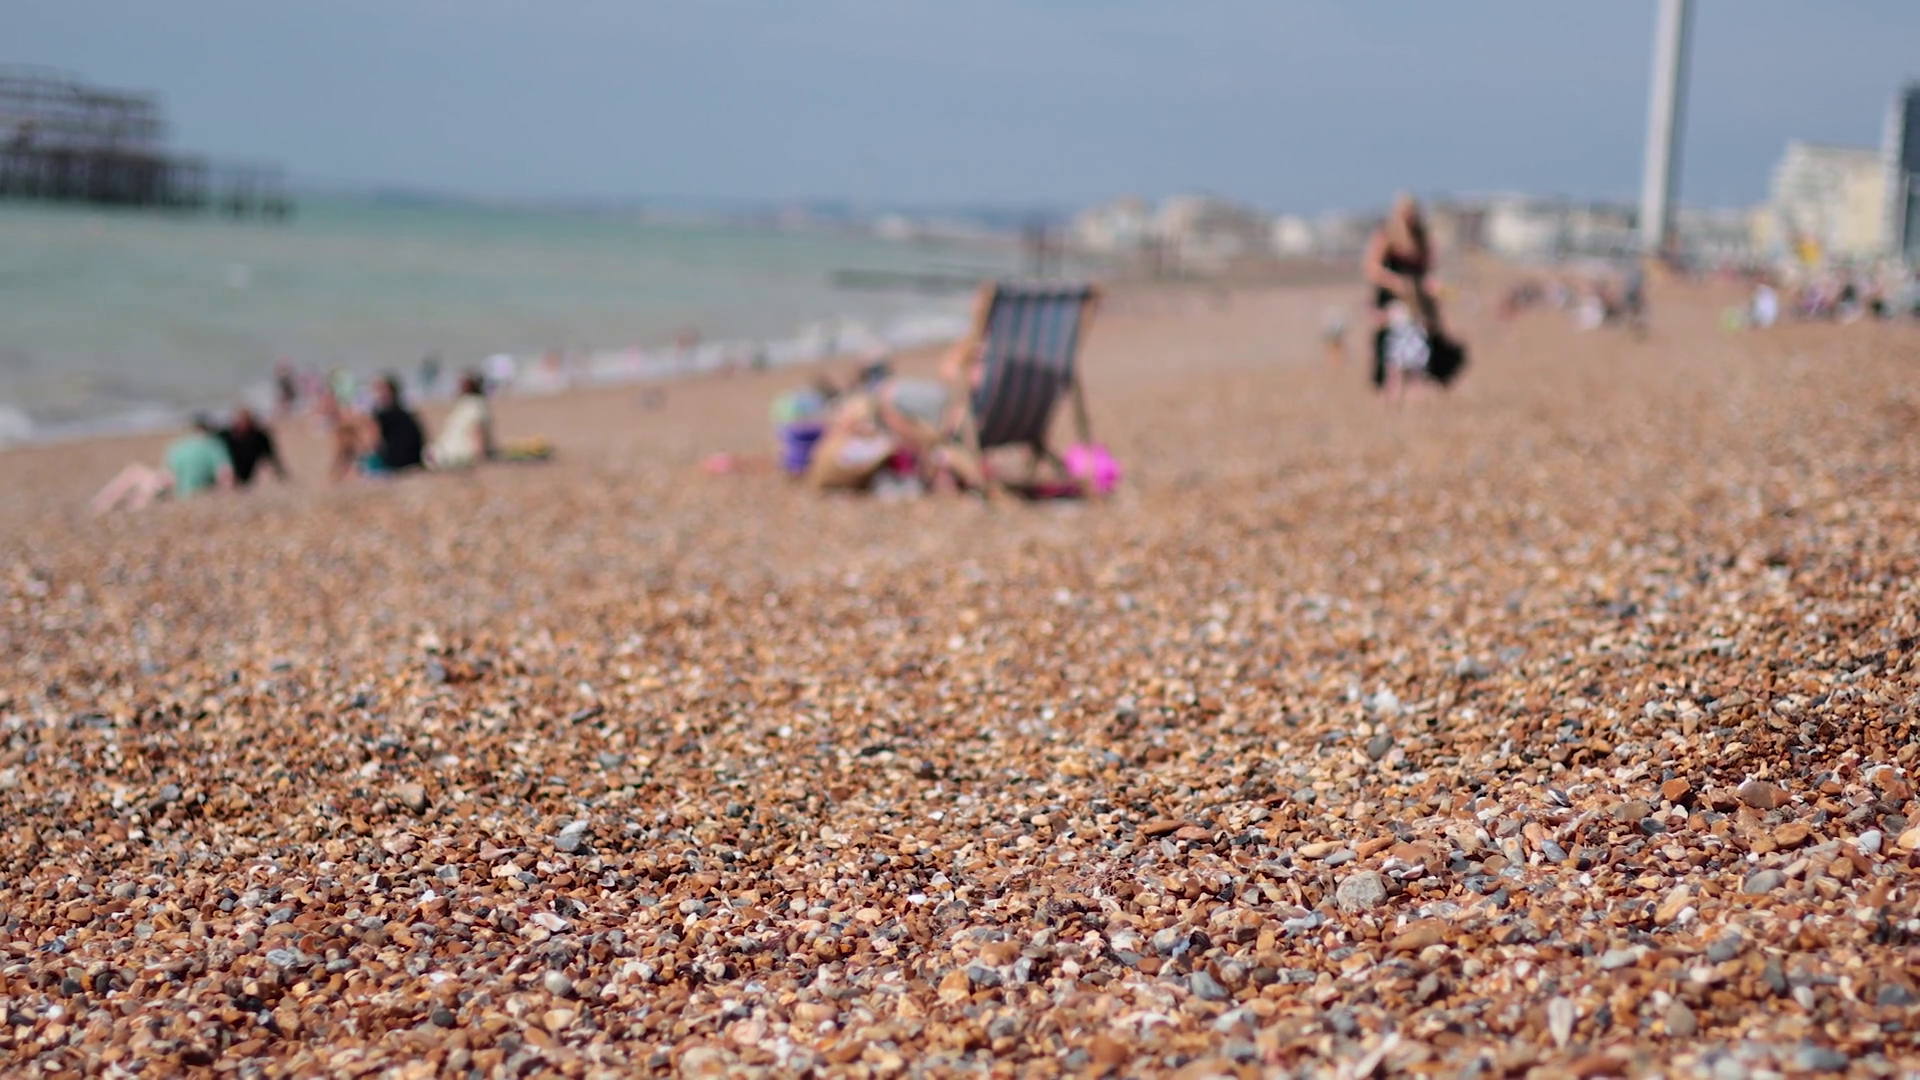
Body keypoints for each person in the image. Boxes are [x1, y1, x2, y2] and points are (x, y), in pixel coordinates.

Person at [1361, 194, 1443, 402]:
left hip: (1417, 303)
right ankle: (1390, 400)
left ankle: (1415, 399)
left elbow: (1428, 268)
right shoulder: (1386, 234)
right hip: (1392, 301)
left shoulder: (1421, 237)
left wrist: (1429, 289)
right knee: (1392, 357)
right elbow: (1371, 267)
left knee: (1418, 354)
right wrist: (1395, 282)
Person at [91, 415, 234, 513]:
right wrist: (225, 494)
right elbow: (225, 475)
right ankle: (132, 503)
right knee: (148, 482)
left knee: (136, 472)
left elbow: (168, 474)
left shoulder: (179, 446)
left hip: (176, 489)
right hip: (193, 492)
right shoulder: (215, 446)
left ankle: (104, 503)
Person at [427, 372, 494, 469]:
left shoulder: (474, 405)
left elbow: (478, 432)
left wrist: (480, 457)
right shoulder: (468, 403)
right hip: (449, 453)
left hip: (455, 455)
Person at [366, 374, 426, 474]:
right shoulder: (406, 414)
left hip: (395, 463)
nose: (378, 394)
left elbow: (375, 443)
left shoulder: (384, 416)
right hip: (412, 460)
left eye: (380, 390)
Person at [220, 407, 288, 487]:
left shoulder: (259, 437)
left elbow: (271, 457)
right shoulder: (226, 436)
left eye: (245, 420)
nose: (243, 424)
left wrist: (279, 473)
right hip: (233, 473)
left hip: (253, 474)